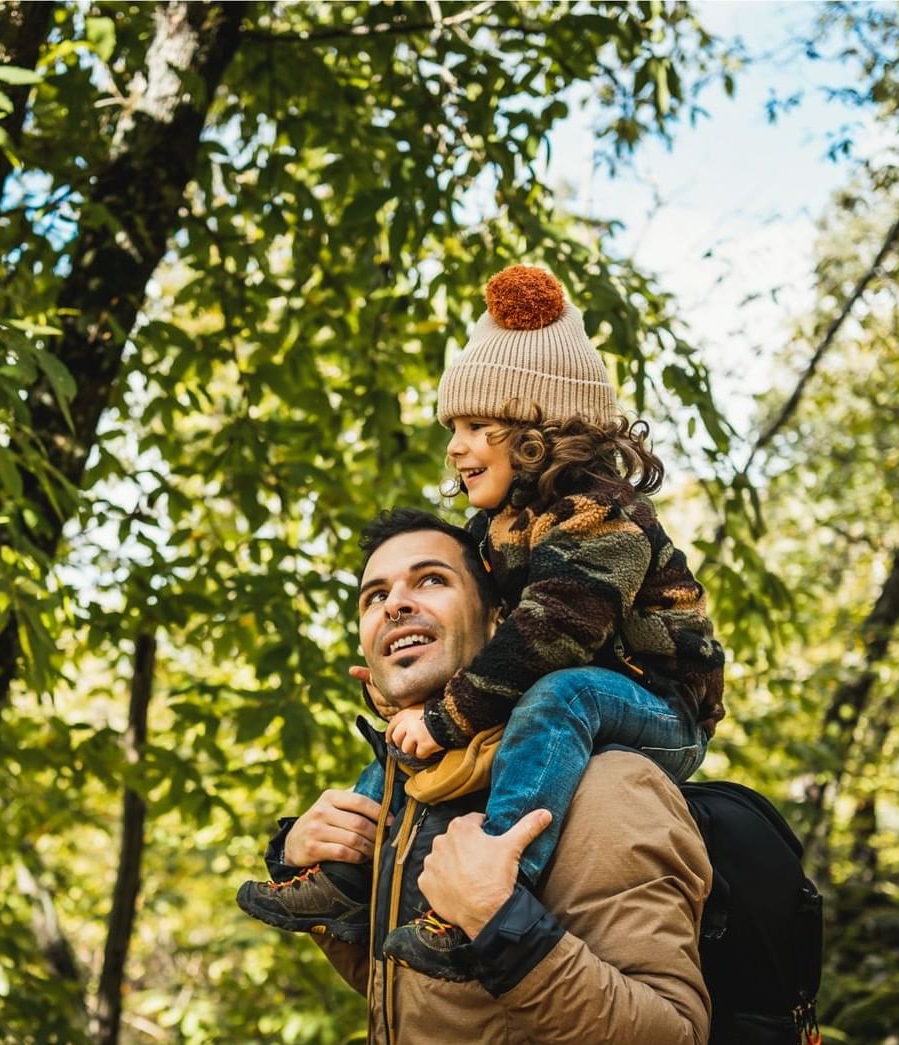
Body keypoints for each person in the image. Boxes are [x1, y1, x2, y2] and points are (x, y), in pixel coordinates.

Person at [257, 509, 713, 1045]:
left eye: (429, 580)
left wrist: (506, 925)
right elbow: (423, 1003)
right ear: (364, 663)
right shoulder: (407, 803)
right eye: (374, 595)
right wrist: (315, 873)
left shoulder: (607, 788)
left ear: (505, 621)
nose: (395, 602)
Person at [238, 265, 725, 980]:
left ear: (538, 432)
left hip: (659, 704)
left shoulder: (601, 520)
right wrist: (411, 701)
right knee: (475, 713)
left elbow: (547, 635)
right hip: (581, 686)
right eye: (451, 430)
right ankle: (345, 871)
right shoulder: (502, 526)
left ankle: (500, 877)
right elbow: (473, 626)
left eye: (474, 427)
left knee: (560, 695)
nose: (455, 448)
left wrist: (444, 717)